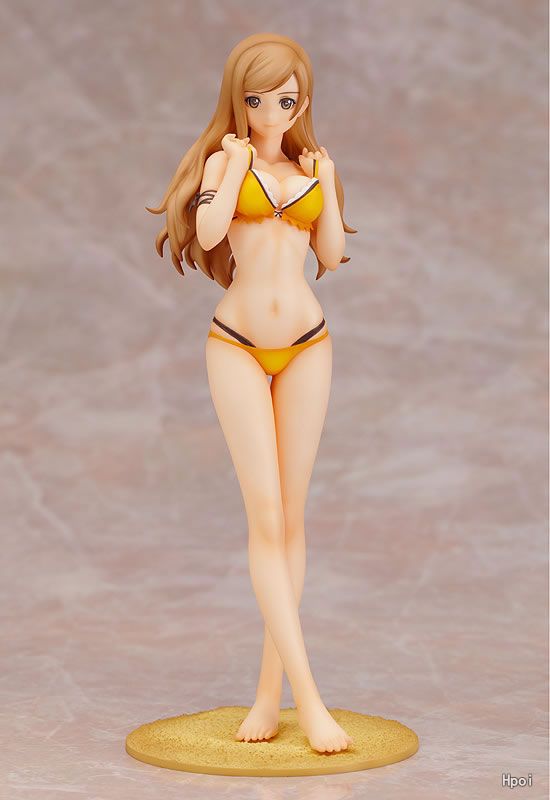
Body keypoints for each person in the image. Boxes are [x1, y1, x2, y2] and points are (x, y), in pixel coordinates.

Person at [147, 32, 356, 754]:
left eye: (286, 99)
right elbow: (210, 231)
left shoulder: (310, 167)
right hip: (236, 344)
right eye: (258, 98)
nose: (271, 112)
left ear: (304, 99)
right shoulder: (224, 162)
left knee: (293, 519)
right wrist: (232, 164)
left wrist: (328, 183)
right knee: (265, 518)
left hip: (309, 344)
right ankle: (310, 699)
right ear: (238, 99)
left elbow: (332, 256)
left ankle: (270, 695)